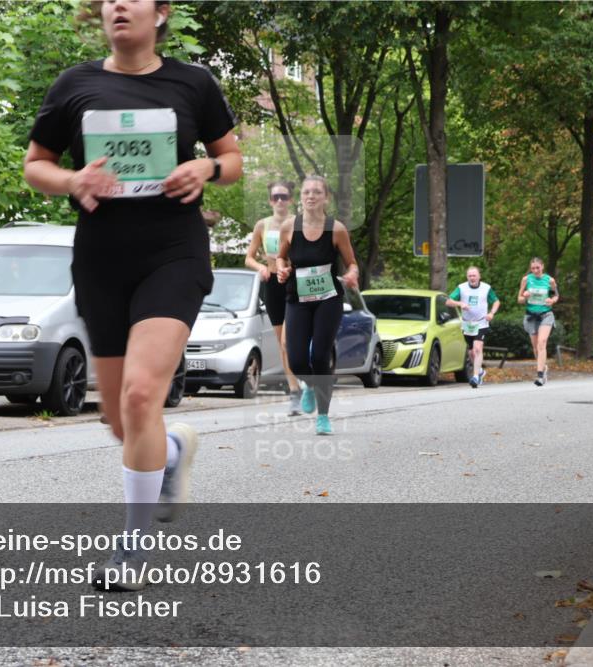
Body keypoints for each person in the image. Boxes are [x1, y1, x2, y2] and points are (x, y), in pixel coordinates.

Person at [23, 0, 241, 591]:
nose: (117, 4)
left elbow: (232, 157)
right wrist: (72, 180)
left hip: (173, 253)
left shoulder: (193, 83)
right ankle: (169, 452)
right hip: (101, 258)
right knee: (121, 419)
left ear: (160, 12)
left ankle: (132, 549)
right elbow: (35, 165)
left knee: (144, 395)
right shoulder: (76, 85)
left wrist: (206, 171)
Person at [276, 175, 359, 435]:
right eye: (306, 192)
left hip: (328, 300)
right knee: (297, 357)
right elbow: (280, 258)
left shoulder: (336, 229)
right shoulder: (290, 227)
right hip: (298, 299)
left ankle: (323, 416)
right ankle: (309, 385)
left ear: (326, 197)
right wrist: (281, 270)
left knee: (321, 356)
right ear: (300, 197)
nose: (310, 196)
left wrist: (353, 274)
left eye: (316, 192)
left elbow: (352, 262)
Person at [245, 181, 302, 414]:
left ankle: (307, 379)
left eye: (284, 197)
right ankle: (295, 391)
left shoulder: (298, 223)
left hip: (295, 282)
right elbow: (248, 257)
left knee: (293, 340)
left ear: (290, 200)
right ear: (270, 201)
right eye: (276, 197)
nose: (280, 201)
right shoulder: (262, 225)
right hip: (273, 285)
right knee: (283, 344)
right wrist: (260, 267)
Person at [446, 266, 500, 388]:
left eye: (474, 275)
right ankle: (480, 371)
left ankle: (475, 377)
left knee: (477, 348)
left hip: (481, 322)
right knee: (471, 352)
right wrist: (460, 303)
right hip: (467, 324)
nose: (472, 278)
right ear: (467, 277)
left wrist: (491, 313)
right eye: (470, 276)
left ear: (479, 276)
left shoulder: (486, 288)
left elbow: (496, 301)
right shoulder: (462, 288)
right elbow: (448, 301)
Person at [517, 257, 559, 386]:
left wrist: (552, 301)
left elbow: (556, 295)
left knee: (542, 343)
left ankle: (540, 375)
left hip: (546, 315)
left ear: (542, 267)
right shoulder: (526, 279)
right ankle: (543, 367)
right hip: (531, 316)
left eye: (537, 268)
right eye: (533, 268)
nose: (535, 270)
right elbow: (519, 299)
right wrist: (524, 297)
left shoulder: (550, 280)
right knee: (535, 348)